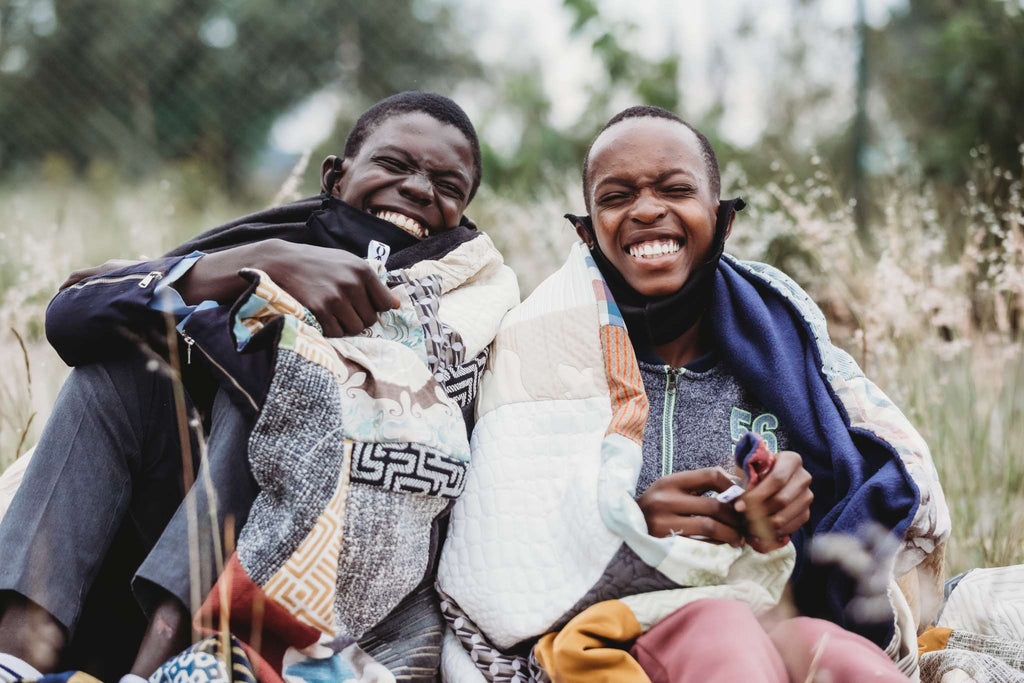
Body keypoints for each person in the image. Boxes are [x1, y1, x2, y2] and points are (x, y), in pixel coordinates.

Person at [0, 92, 519, 682]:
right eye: (395, 165)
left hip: (326, 568)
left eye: (448, 185)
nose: (421, 190)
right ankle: (17, 659)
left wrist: (265, 329)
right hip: (147, 538)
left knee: (285, 378)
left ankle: (166, 669)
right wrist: (264, 262)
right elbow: (74, 316)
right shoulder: (270, 240)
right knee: (118, 373)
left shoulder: (469, 294)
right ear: (335, 176)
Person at [435, 106, 950, 682]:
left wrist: (790, 513)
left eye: (676, 189)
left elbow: (861, 494)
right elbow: (513, 538)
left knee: (854, 664)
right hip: (620, 628)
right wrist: (632, 529)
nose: (648, 209)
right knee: (722, 638)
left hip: (776, 614)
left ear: (722, 220)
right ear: (586, 232)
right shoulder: (538, 355)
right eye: (616, 196)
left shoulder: (785, 351)